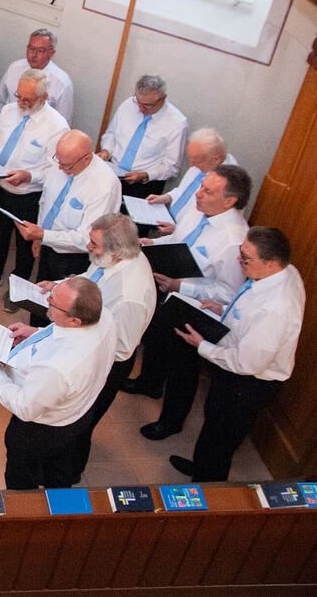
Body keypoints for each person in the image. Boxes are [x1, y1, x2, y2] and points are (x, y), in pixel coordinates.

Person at [168, 227, 304, 482]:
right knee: (212, 424)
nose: (238, 261)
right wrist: (223, 310)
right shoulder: (279, 273)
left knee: (222, 436)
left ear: (272, 262)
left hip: (247, 382)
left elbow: (245, 363)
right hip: (236, 362)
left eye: (246, 258)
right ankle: (201, 465)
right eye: (241, 252)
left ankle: (207, 487)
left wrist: (201, 345)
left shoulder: (275, 309)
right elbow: (248, 320)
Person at [127, 165, 252, 440]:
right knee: (156, 338)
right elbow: (181, 240)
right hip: (168, 289)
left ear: (229, 201)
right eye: (201, 185)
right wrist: (155, 243)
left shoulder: (233, 240)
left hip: (194, 306)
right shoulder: (201, 211)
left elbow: (229, 293)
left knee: (182, 365)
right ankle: (149, 382)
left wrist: (181, 286)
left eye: (208, 190)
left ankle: (171, 420)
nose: (198, 194)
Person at [32, 214, 156, 483]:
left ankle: (68, 473)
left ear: (117, 250)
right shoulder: (112, 261)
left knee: (79, 422)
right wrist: (59, 287)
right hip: (87, 345)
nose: (88, 247)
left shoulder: (129, 295)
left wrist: (74, 345)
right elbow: (91, 280)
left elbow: (121, 347)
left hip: (106, 363)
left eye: (94, 244)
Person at [0, 277, 116, 489]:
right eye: (53, 293)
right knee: (60, 468)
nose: (48, 299)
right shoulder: (105, 317)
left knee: (23, 477)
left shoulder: (58, 366)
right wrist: (35, 333)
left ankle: (28, 515)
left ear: (75, 320)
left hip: (42, 431)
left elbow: (24, 407)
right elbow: (60, 335)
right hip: (79, 412)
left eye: (54, 302)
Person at [0, 69, 68, 309]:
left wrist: (28, 175)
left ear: (44, 98)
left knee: (24, 246)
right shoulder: (9, 111)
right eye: (18, 95)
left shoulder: (56, 126)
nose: (20, 102)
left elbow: (54, 170)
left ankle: (19, 288)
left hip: (28, 196)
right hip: (0, 187)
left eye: (26, 99)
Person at [16, 130, 122, 292]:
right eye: (57, 160)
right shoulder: (62, 164)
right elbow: (46, 201)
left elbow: (88, 238)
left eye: (66, 165)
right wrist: (40, 237)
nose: (59, 167)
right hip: (49, 242)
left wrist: (43, 235)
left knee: (64, 302)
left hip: (75, 257)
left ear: (86, 158)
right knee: (41, 293)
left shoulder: (104, 186)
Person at [98, 75, 189, 199]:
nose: (140, 109)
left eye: (147, 105)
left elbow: (171, 166)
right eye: (138, 102)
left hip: (143, 185)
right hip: (112, 171)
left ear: (163, 98)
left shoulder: (177, 124)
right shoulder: (128, 104)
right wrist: (106, 151)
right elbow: (111, 134)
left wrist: (145, 175)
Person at [146, 127, 235, 230]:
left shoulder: (227, 184)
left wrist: (177, 230)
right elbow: (183, 191)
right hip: (169, 222)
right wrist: (166, 197)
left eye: (196, 161)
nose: (191, 164)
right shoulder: (204, 163)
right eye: (190, 158)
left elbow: (209, 223)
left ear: (216, 159)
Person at [0, 29, 74, 128]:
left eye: (40, 51)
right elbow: (0, 102)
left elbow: (63, 123)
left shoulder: (62, 82)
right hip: (7, 128)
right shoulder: (14, 68)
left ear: (51, 53)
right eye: (31, 49)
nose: (33, 55)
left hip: (38, 137)